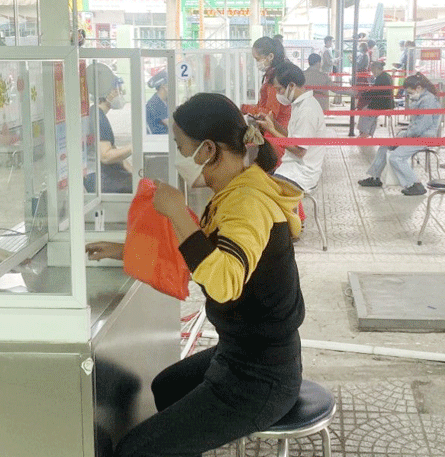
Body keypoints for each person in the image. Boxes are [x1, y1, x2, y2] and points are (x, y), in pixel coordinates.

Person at [87, 92, 305, 457]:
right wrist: (125, 250)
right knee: (167, 387)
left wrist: (175, 211)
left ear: (207, 149)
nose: (175, 155)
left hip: (261, 376)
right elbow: (206, 253)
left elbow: (222, 285)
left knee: (133, 452)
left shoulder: (246, 203)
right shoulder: (236, 187)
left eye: (179, 145)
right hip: (242, 351)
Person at [358, 73, 442, 196]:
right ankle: (375, 177)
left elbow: (421, 126)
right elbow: (416, 124)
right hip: (415, 136)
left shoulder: (428, 101)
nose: (409, 95)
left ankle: (415, 184)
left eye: (410, 93)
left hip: (424, 138)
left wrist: (404, 135)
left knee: (396, 157)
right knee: (384, 146)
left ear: (418, 88)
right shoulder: (421, 98)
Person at [258, 61, 328, 192]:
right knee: (257, 179)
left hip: (301, 174)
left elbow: (299, 150)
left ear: (291, 85)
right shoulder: (299, 105)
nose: (278, 94)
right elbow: (292, 138)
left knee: (261, 194)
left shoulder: (307, 110)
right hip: (291, 168)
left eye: (279, 89)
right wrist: (275, 125)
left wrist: (272, 130)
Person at [242, 36, 292, 165]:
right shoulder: (275, 75)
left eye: (257, 59)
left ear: (270, 56)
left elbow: (270, 113)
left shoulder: (275, 79)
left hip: (275, 133)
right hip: (277, 131)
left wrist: (245, 108)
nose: (257, 63)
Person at [85, 62, 133, 194]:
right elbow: (106, 156)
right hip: (99, 177)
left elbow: (116, 155)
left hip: (100, 174)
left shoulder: (96, 113)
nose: (120, 95)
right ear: (109, 93)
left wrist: (137, 174)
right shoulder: (97, 118)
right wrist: (133, 147)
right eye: (118, 91)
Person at [357, 61, 394, 138]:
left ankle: (364, 133)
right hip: (387, 103)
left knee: (365, 111)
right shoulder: (386, 76)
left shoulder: (381, 78)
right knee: (372, 115)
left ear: (377, 69)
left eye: (373, 70)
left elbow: (374, 92)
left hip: (381, 103)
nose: (372, 72)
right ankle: (369, 133)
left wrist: (362, 94)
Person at [145, 69, 169, 134]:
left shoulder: (164, 101)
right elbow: (171, 124)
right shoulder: (155, 103)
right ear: (164, 86)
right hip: (158, 141)